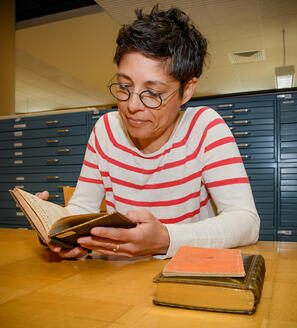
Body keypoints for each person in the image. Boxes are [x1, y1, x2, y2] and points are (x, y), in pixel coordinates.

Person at [37, 5, 260, 259]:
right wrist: (54, 226)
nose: (132, 106)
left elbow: (246, 222)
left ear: (187, 91)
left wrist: (165, 239)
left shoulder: (205, 128)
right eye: (124, 86)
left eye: (152, 93)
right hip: (115, 279)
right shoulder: (106, 130)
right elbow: (81, 208)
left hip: (177, 277)